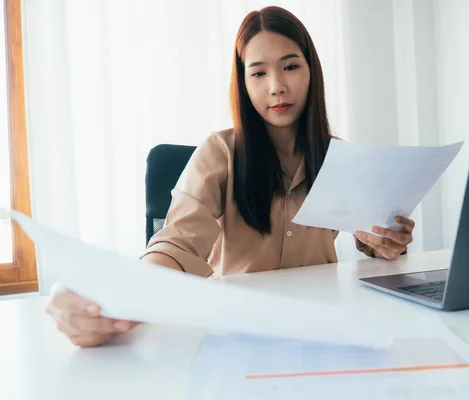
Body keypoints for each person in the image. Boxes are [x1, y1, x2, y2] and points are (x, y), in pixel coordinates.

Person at [45, 6, 415, 347]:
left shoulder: (338, 155)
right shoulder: (219, 152)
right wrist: (120, 299)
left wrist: (385, 241)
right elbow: (177, 244)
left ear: (311, 71)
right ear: (243, 82)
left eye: (290, 66)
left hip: (324, 329)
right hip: (239, 333)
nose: (276, 86)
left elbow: (370, 234)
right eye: (258, 72)